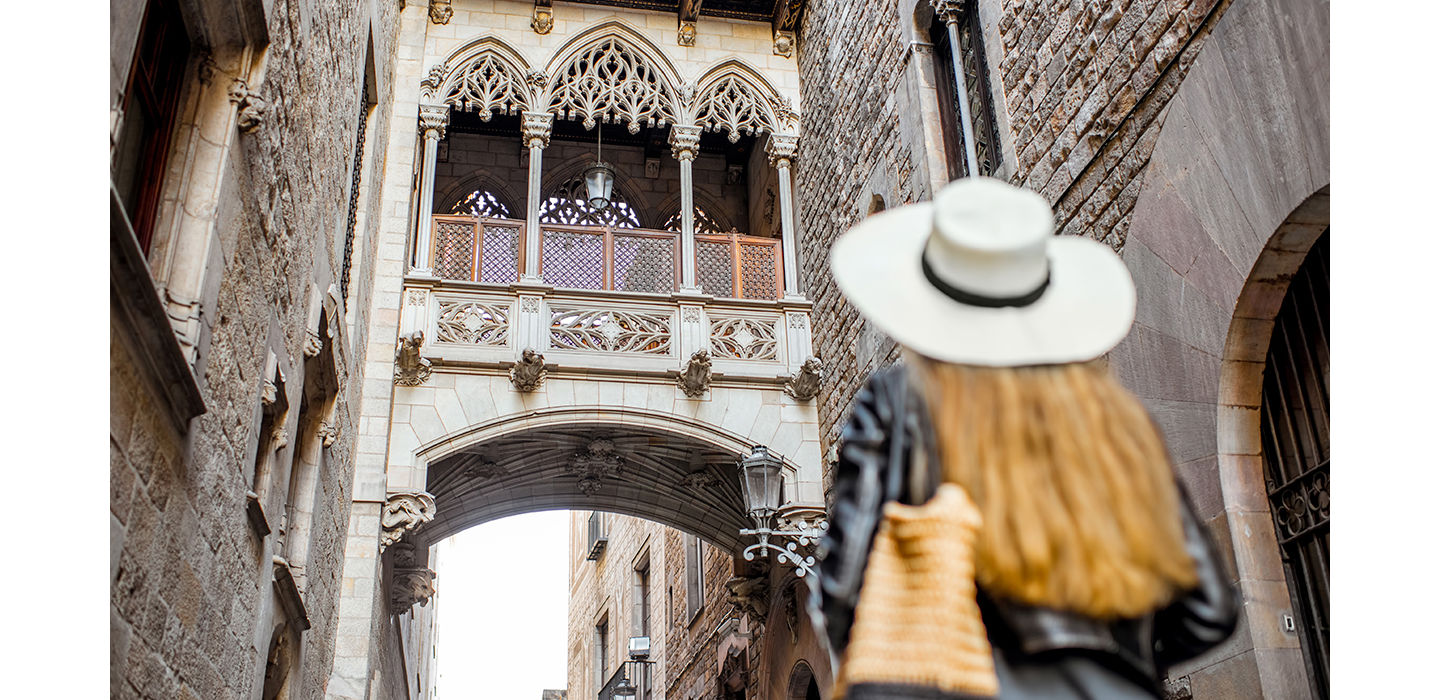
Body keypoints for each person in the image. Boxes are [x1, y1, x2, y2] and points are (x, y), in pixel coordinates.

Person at [816, 177, 1237, 699]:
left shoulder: (898, 400)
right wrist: (1114, 667)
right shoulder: (1116, 420)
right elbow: (1209, 611)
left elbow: (844, 587)